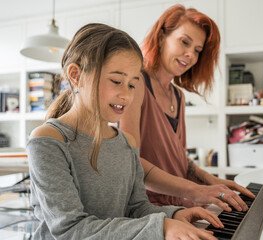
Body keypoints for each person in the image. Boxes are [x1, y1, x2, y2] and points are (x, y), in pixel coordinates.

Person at [27, 23, 224, 240]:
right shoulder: (48, 140)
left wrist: (175, 214)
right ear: (76, 76)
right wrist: (162, 227)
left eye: (132, 85)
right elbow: (70, 229)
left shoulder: (126, 143)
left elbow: (136, 209)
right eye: (117, 81)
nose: (127, 95)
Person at [120, 4, 256, 213]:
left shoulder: (179, 96)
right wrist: (195, 190)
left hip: (180, 206)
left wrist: (210, 180)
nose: (190, 54)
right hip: (147, 211)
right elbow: (130, 161)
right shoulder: (137, 83)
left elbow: (176, 157)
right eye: (184, 42)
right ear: (161, 36)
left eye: (197, 50)